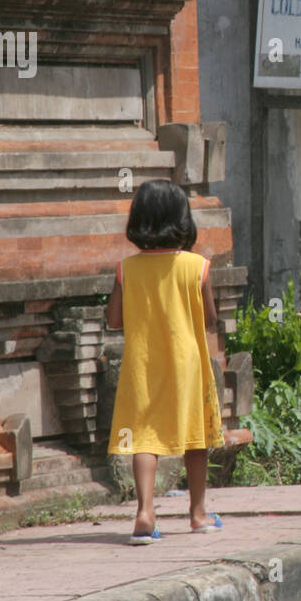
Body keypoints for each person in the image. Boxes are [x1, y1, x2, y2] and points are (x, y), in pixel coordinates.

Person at [105, 179, 224, 545]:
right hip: (187, 363)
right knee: (196, 435)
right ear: (182, 220)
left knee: (144, 435)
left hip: (142, 365)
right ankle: (198, 514)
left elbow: (113, 320)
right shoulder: (197, 267)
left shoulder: (126, 269)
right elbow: (210, 318)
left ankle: (144, 513)